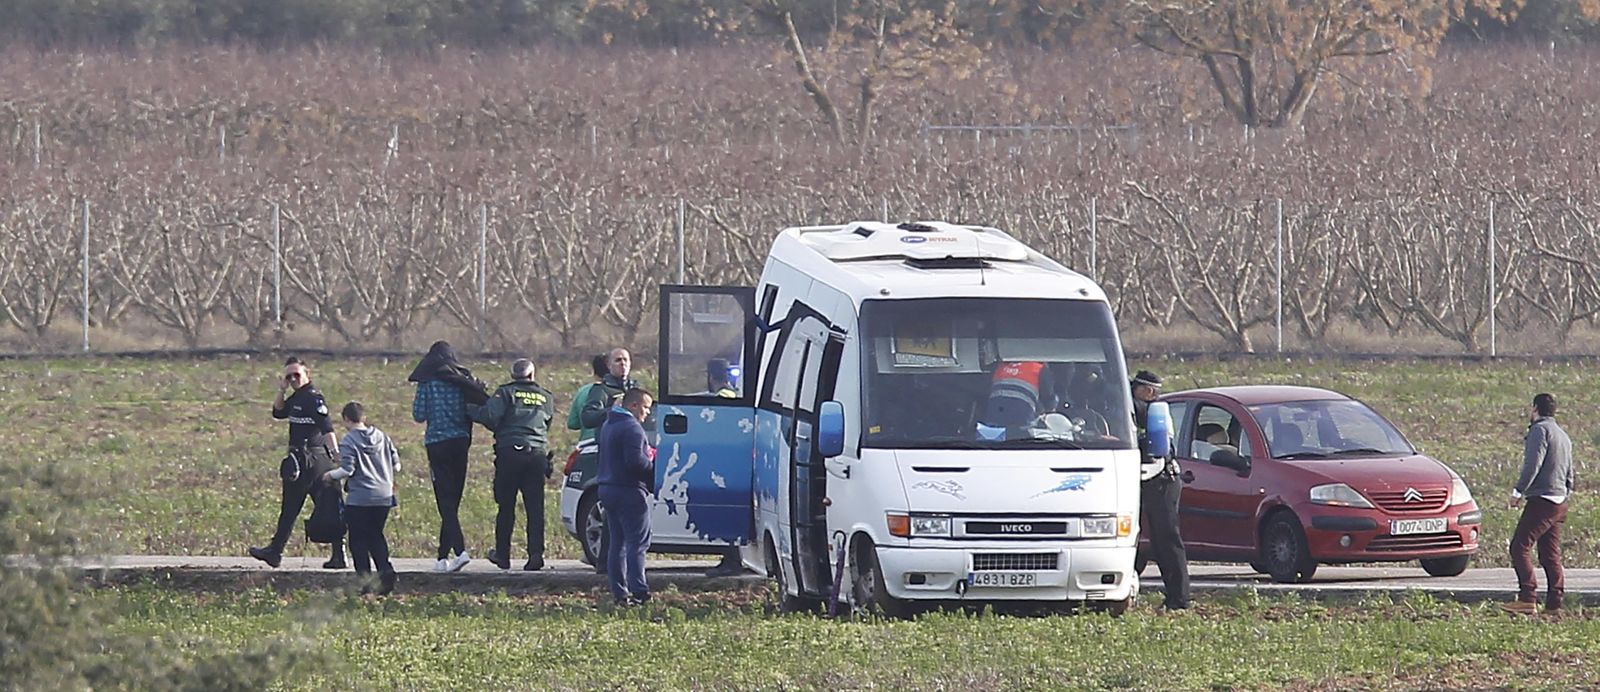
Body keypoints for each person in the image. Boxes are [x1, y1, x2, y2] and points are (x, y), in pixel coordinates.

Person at [250, 357, 347, 569]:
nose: (293, 379)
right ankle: (277, 550)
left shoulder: (313, 398)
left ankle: (277, 551)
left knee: (324, 506)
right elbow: (278, 412)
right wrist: (281, 390)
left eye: (297, 375)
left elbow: (327, 428)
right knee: (303, 506)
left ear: (307, 374)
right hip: (301, 459)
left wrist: (336, 456)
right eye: (289, 376)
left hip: (314, 458)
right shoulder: (296, 398)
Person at [469, 359, 555, 572]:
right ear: (532, 375)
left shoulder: (505, 393)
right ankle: (536, 555)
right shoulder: (546, 396)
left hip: (510, 454)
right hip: (537, 455)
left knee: (506, 506)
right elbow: (547, 423)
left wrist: (469, 408)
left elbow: (490, 417)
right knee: (535, 508)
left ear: (512, 375)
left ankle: (503, 555)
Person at [410, 340, 487, 573]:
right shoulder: (462, 380)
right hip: (461, 441)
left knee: (444, 499)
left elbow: (418, 415)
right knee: (453, 498)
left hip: (437, 443)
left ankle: (460, 551)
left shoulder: (428, 383)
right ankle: (442, 558)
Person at [1502, 393, 1575, 615]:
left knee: (1519, 546)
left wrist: (1518, 491)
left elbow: (1533, 463)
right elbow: (1571, 473)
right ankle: (1554, 603)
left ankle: (1527, 598)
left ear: (1535, 409)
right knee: (1549, 554)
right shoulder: (1563, 435)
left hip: (1542, 499)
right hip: (1559, 501)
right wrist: (1565, 494)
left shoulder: (1539, 430)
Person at [324, 402, 400, 596]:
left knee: (358, 540)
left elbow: (347, 470)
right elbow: (396, 464)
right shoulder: (382, 436)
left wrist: (330, 476)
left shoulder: (349, 440)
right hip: (384, 495)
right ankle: (386, 572)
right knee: (376, 535)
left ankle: (364, 581)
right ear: (364, 417)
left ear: (346, 420)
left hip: (360, 498)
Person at [1132, 369, 1190, 610]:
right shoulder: (1151, 410)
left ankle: (1180, 599)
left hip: (1161, 479)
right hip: (1150, 477)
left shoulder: (1144, 409)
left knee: (1165, 539)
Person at [598, 388, 655, 606]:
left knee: (617, 543)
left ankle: (619, 593)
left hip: (607, 488)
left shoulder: (609, 424)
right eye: (646, 407)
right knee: (637, 543)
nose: (647, 413)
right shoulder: (632, 428)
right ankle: (639, 591)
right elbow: (635, 463)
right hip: (628, 490)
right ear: (633, 406)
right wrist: (652, 464)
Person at [580, 348, 641, 435]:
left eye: (625, 360)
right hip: (611, 442)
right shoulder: (601, 389)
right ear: (609, 365)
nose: (622, 363)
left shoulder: (637, 388)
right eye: (618, 360)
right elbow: (588, 419)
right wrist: (612, 410)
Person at [566, 355, 609, 443]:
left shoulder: (582, 391)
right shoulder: (618, 392)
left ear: (594, 372)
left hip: (585, 446)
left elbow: (572, 423)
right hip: (607, 443)